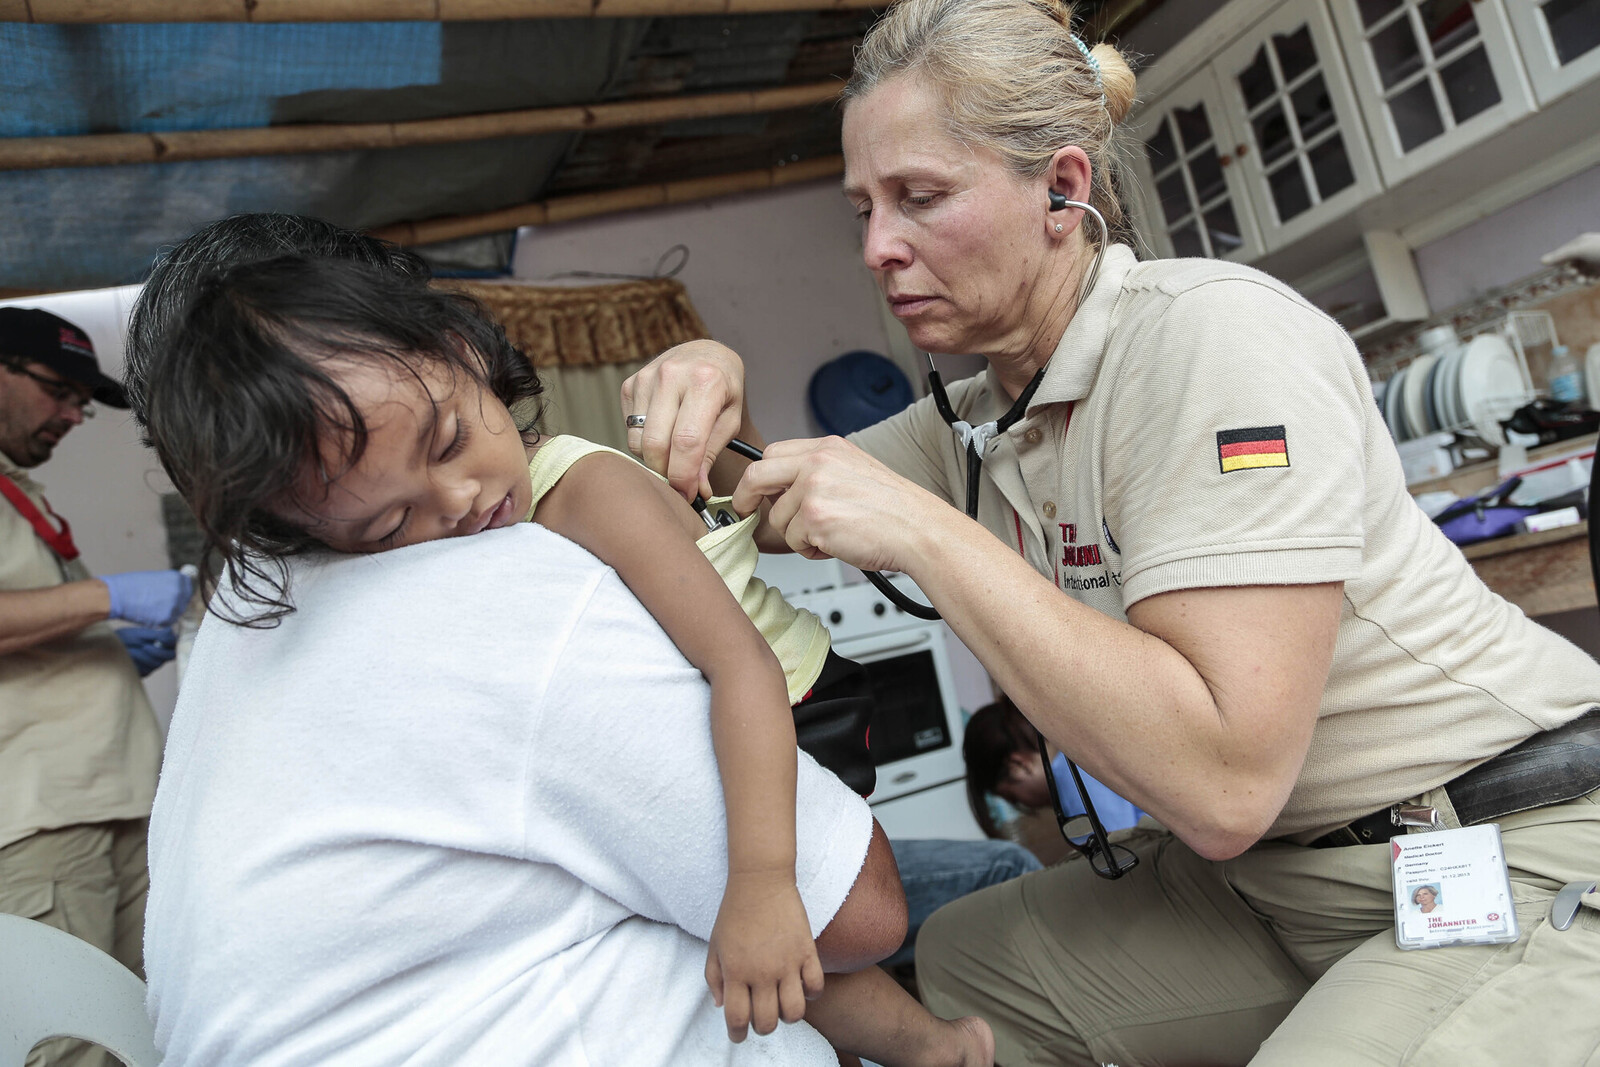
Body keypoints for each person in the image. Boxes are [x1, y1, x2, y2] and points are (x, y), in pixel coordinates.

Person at [616, 0, 1600, 1061]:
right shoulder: (982, 417)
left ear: (1063, 188)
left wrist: (928, 534)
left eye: (919, 199)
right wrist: (711, 381)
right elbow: (760, 498)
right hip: (1269, 878)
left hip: (1502, 844)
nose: (877, 248)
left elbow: (1223, 785)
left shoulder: (1211, 339)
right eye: (861, 210)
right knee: (969, 967)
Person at [130, 235, 991, 1066]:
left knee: (761, 933)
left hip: (793, 702)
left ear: (466, 353)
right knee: (737, 939)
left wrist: (763, 877)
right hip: (731, 695)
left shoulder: (587, 490)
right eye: (390, 524)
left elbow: (742, 666)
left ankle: (934, 1047)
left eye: (449, 442)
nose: (460, 501)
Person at [0, 307, 192, 1067]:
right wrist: (107, 598)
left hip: (116, 800)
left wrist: (107, 647)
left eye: (83, 399)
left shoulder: (17, 487)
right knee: (75, 1045)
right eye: (59, 389)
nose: (74, 414)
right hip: (42, 821)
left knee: (157, 1032)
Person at [961, 694, 1141, 865]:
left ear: (1018, 766)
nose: (1027, 806)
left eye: (1013, 798)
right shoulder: (1079, 751)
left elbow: (1124, 852)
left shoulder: (1072, 785)